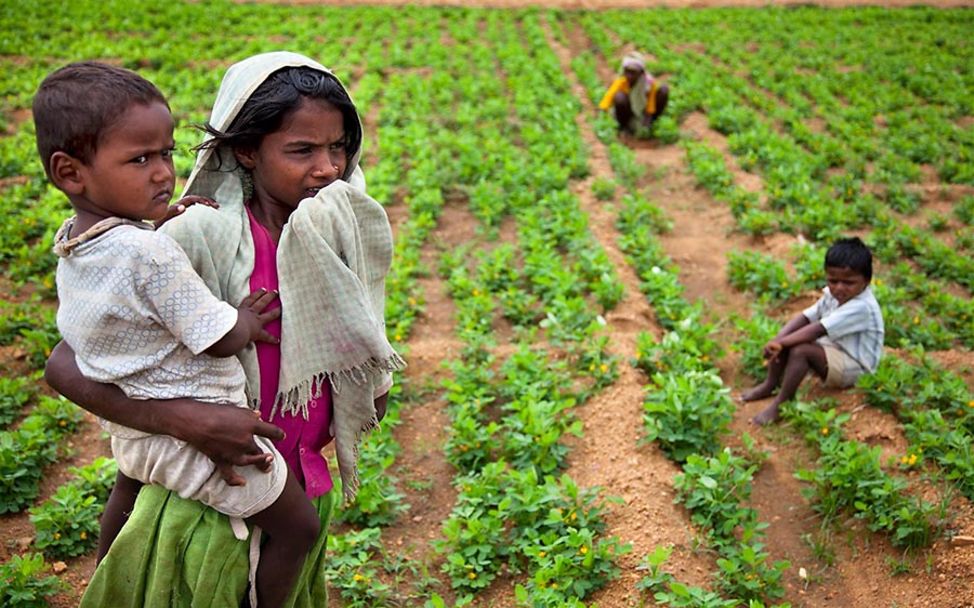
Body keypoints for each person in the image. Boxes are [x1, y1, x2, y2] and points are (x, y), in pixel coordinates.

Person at [43, 52, 403, 608]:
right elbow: (68, 361)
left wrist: (367, 385)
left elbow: (359, 319)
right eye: (302, 150)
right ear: (246, 149)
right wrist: (187, 420)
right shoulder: (198, 236)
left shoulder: (336, 225)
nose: (328, 167)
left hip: (296, 470)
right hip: (215, 483)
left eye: (338, 148)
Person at [741, 237, 884, 425]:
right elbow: (806, 317)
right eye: (833, 280)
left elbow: (816, 330)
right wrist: (778, 339)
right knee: (788, 339)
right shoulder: (833, 295)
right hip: (836, 349)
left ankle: (781, 404)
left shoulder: (861, 307)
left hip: (856, 367)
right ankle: (770, 384)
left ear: (866, 281)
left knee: (800, 350)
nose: (839, 288)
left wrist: (781, 343)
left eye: (848, 282)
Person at [598, 51, 669, 135]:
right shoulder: (621, 82)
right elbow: (609, 97)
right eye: (627, 72)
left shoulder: (648, 83)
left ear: (641, 73)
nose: (629, 76)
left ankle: (652, 122)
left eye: (633, 73)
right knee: (619, 97)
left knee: (664, 89)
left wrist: (647, 121)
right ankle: (623, 126)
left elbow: (651, 103)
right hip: (627, 111)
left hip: (642, 110)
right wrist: (602, 113)